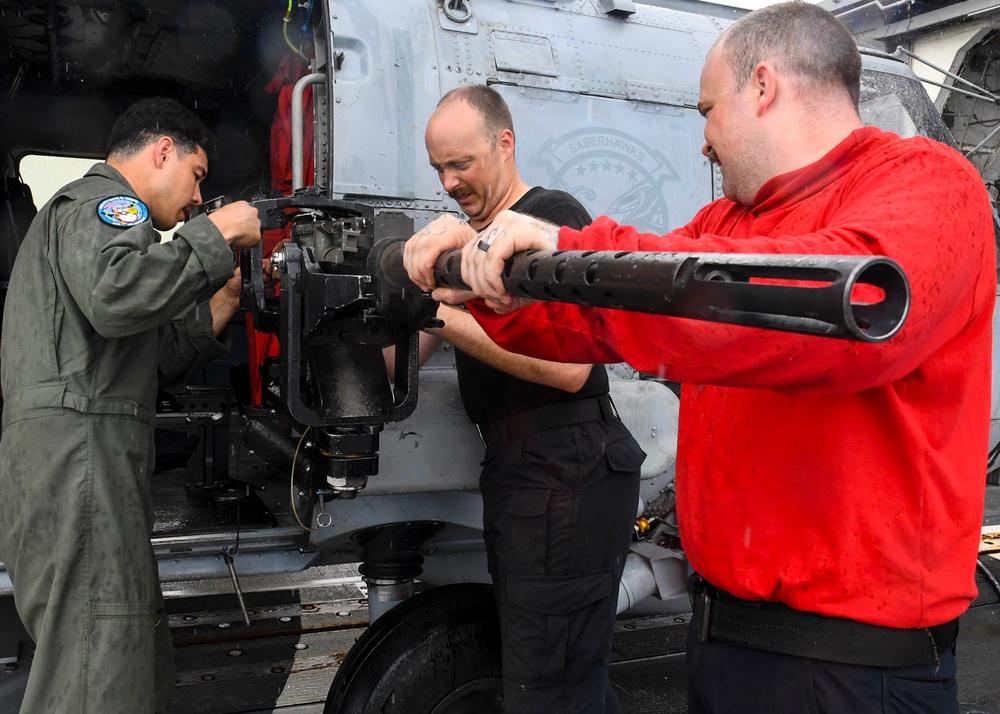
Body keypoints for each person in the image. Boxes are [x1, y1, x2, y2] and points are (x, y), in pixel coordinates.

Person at [402, 4, 997, 713]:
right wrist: (470, 272)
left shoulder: (929, 184)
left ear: (764, 87)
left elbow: (843, 316)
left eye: (708, 111)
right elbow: (605, 323)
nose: (704, 142)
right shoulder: (726, 225)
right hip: (724, 641)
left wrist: (570, 248)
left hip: (852, 668)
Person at [0, 97, 262, 714]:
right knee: (98, 670)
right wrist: (216, 233)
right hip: (80, 463)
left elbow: (153, 355)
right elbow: (115, 297)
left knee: (115, 655)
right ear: (162, 150)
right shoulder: (105, 204)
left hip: (84, 465)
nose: (199, 198)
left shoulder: (94, 227)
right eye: (198, 176)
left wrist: (222, 297)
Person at [400, 85, 646, 713]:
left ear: (504, 145)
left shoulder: (547, 216)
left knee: (550, 690)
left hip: (569, 469)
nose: (449, 182)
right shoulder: (471, 249)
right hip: (528, 475)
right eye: (438, 169)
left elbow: (572, 371)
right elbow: (400, 363)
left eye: (462, 163)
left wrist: (438, 310)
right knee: (556, 680)